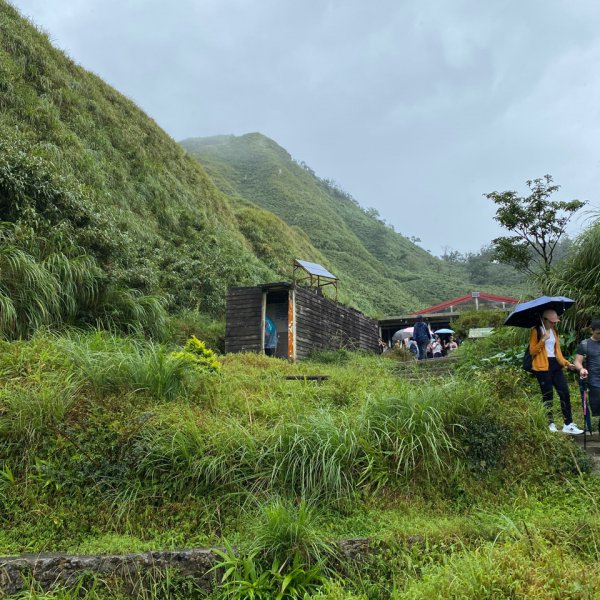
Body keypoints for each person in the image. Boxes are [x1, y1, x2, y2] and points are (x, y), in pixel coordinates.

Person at [530, 309, 583, 434]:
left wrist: (566, 363)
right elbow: (532, 351)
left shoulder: (554, 331)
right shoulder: (536, 330)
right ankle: (550, 423)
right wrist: (542, 340)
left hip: (555, 365)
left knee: (564, 392)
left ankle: (568, 424)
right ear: (544, 320)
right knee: (548, 395)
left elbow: (557, 352)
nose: (554, 324)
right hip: (542, 367)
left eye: (555, 322)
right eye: (551, 322)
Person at [573, 319, 600, 433]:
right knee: (597, 406)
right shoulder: (585, 344)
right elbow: (577, 361)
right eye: (598, 333)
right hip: (594, 380)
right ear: (592, 331)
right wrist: (581, 369)